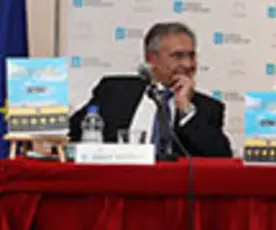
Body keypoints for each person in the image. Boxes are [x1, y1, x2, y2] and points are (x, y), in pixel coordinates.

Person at [68, 22, 232, 157]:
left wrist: (185, 109)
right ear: (151, 58)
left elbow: (221, 157)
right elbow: (71, 135)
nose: (188, 64)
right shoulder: (114, 92)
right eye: (178, 56)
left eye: (191, 55)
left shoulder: (207, 108)